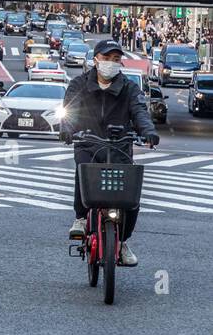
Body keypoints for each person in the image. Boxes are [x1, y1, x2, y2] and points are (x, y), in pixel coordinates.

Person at [60, 39, 159, 267]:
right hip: (88, 143)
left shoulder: (129, 88)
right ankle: (81, 218)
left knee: (130, 198)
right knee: (83, 172)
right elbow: (70, 110)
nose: (111, 63)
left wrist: (149, 132)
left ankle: (122, 242)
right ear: (96, 60)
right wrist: (66, 129)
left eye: (116, 59)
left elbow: (140, 113)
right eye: (106, 58)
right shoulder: (79, 84)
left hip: (120, 148)